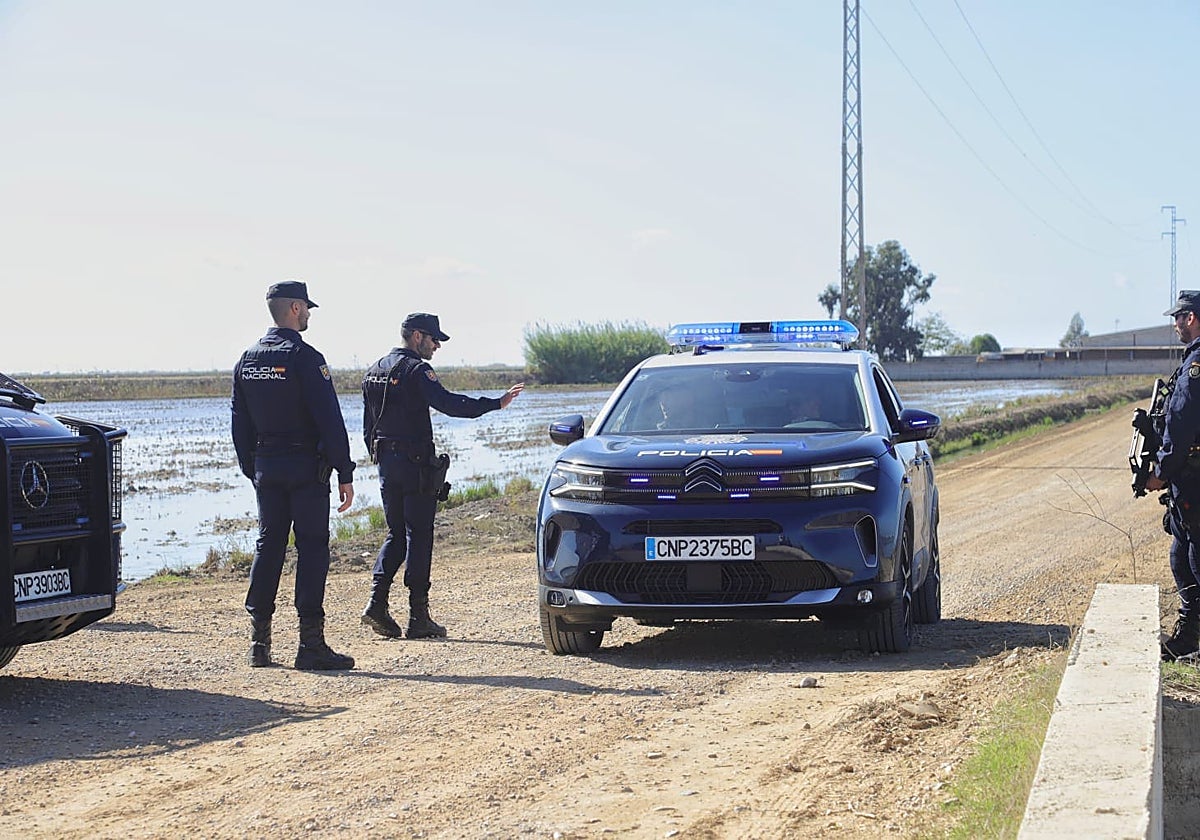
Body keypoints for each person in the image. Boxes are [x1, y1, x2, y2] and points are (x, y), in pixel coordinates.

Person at [360, 312, 524, 639]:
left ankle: (377, 603)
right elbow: (449, 404)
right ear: (417, 336)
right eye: (435, 340)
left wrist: (378, 457)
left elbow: (369, 425)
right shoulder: (417, 370)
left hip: (386, 464)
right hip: (415, 464)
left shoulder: (374, 369)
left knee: (395, 533)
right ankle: (418, 618)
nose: (437, 346)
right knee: (418, 535)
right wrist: (496, 403)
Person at [231, 280, 357, 671]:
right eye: (307, 309)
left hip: (267, 468)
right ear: (295, 309)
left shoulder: (247, 359)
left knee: (268, 545)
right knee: (312, 548)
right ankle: (310, 645)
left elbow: (239, 422)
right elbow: (329, 419)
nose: (309, 315)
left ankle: (259, 644)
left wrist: (252, 467)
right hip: (305, 469)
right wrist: (344, 470)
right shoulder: (305, 357)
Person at [1145, 289, 1200, 660]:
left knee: (1195, 558)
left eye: (1178, 318)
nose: (1176, 325)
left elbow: (1180, 425)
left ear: (1191, 318)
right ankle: (1188, 637)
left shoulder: (1196, 366)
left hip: (1193, 475)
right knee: (1182, 554)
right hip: (1189, 474)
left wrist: (1159, 474)